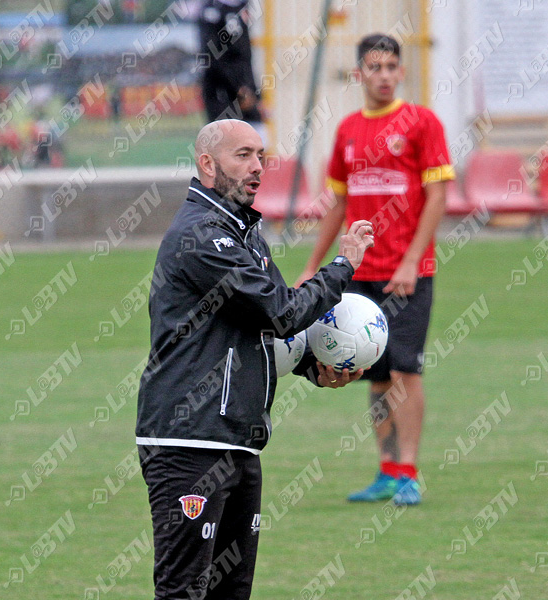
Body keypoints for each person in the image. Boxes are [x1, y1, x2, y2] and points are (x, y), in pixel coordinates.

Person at [136, 119, 374, 599]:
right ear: (207, 164)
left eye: (261, 155)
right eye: (242, 155)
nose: (257, 167)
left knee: (232, 590)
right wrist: (343, 267)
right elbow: (283, 311)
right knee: (183, 590)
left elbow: (263, 326)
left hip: (238, 438)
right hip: (189, 440)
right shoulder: (202, 235)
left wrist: (313, 367)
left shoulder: (244, 232)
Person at [296, 34, 454, 506]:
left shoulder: (422, 123)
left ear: (401, 72)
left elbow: (438, 197)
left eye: (391, 66)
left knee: (406, 370)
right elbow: (339, 203)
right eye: (375, 67)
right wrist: (312, 265)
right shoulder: (347, 131)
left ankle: (408, 472)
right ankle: (386, 471)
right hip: (360, 273)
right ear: (359, 74)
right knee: (376, 371)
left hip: (406, 272)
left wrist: (411, 260)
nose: (384, 75)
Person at [198, 0, 264, 133]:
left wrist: (253, 91)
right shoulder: (212, 10)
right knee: (227, 140)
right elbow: (212, 56)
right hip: (221, 91)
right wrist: (239, 88)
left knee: (258, 135)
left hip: (244, 89)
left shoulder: (242, 6)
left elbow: (245, 55)